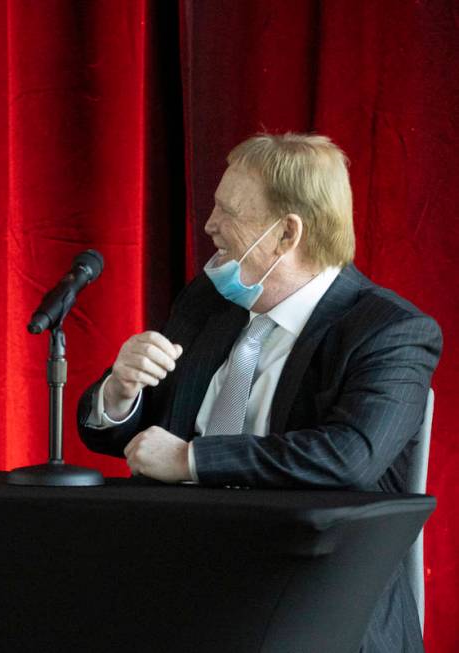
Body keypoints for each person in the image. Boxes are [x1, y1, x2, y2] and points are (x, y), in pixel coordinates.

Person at [77, 133, 440, 652]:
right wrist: (120, 391)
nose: (210, 226)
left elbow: (348, 458)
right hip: (183, 584)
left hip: (312, 601)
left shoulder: (388, 331)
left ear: (286, 233)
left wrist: (190, 459)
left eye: (228, 211)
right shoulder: (208, 303)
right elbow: (138, 435)